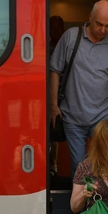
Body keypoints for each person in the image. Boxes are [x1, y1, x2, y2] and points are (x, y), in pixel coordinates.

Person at [50, 0, 108, 178]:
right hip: (72, 116)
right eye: (99, 24)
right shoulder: (71, 37)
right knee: (79, 167)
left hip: (103, 118)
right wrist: (53, 105)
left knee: (107, 165)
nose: (103, 30)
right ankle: (83, 206)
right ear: (90, 17)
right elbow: (54, 70)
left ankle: (103, 204)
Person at [48, 15, 65, 177]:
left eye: (58, 27)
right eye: (52, 27)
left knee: (58, 131)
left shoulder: (68, 48)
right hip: (43, 97)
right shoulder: (43, 47)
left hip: (64, 97)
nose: (55, 30)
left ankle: (54, 166)